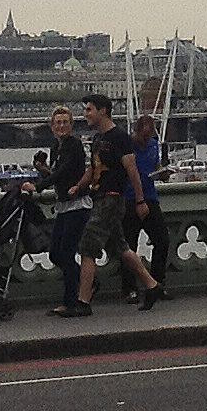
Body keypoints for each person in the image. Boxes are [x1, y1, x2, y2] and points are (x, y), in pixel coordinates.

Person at [81, 95, 161, 310]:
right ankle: (152, 285)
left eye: (89, 109)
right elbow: (93, 169)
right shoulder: (98, 139)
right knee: (121, 248)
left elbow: (132, 170)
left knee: (88, 247)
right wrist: (77, 187)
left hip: (113, 197)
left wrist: (140, 199)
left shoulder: (120, 137)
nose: (86, 114)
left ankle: (82, 301)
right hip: (99, 197)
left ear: (103, 111)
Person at [37, 106, 94, 317]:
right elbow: (58, 173)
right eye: (58, 123)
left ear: (71, 125)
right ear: (52, 127)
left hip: (78, 205)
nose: (62, 126)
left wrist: (39, 186)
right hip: (63, 205)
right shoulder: (57, 146)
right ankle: (87, 283)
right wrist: (43, 171)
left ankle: (71, 301)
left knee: (66, 253)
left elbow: (64, 172)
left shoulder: (75, 145)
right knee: (55, 253)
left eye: (65, 122)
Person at [121, 113, 170, 303]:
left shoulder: (153, 145)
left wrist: (162, 173)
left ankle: (157, 283)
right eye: (143, 135)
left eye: (150, 135)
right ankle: (129, 289)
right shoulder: (127, 146)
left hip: (150, 197)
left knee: (162, 240)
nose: (146, 139)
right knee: (128, 245)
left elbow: (155, 166)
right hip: (130, 199)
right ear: (136, 131)